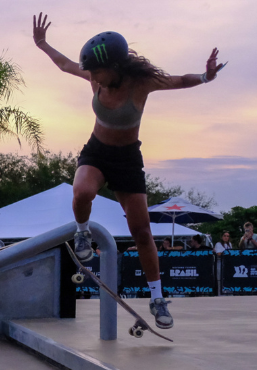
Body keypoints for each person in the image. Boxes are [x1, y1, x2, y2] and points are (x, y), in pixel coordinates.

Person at [34, 13, 225, 329]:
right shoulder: (96, 78)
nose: (93, 76)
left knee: (142, 231)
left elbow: (179, 80)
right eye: (92, 72)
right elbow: (66, 65)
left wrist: (206, 77)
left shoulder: (141, 83)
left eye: (98, 71)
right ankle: (83, 233)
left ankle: (157, 298)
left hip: (127, 160)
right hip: (96, 151)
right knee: (81, 191)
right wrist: (42, 44)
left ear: (116, 67)